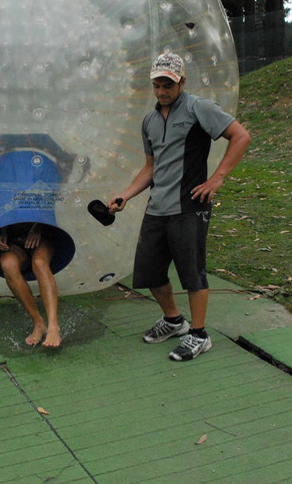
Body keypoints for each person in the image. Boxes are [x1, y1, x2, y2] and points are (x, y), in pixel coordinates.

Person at [108, 52, 251, 361]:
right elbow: (151, 167)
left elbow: (240, 136)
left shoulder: (198, 108)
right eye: (157, 85)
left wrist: (217, 179)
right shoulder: (148, 120)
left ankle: (199, 335)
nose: (162, 91)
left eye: (168, 85)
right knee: (149, 272)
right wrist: (126, 195)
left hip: (190, 206)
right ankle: (174, 320)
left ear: (182, 82)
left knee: (192, 274)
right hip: (157, 208)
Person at [0, 222, 61, 348]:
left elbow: (50, 203)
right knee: (8, 265)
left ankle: (53, 327)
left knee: (39, 263)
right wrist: (2, 232)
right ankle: (39, 323)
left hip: (43, 233)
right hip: (14, 239)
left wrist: (38, 228)